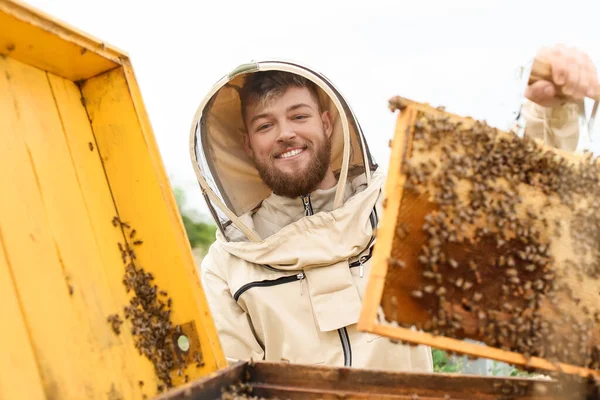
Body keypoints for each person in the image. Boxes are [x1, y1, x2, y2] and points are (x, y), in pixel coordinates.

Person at [189, 44, 598, 371]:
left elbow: (512, 205)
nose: (285, 133)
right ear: (248, 145)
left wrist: (550, 109)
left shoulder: (398, 205)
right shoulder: (227, 267)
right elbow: (232, 382)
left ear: (328, 124)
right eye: (265, 125)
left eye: (299, 115)